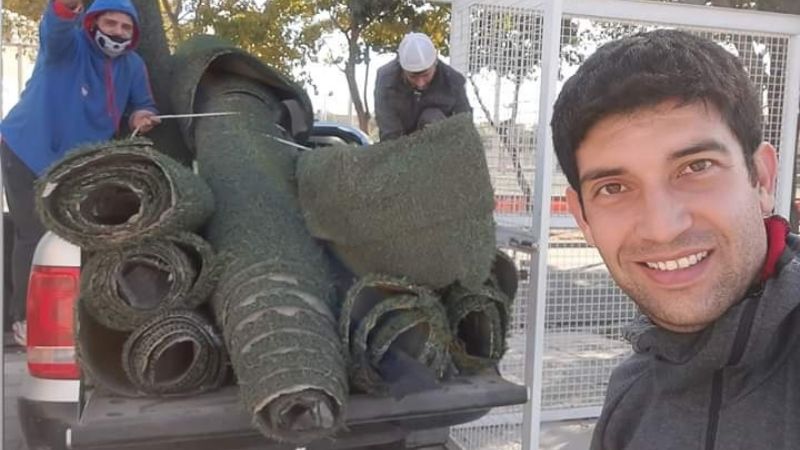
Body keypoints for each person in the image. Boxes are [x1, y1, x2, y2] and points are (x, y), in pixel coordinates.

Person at [551, 29, 799, 449]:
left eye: (696, 167)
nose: (662, 227)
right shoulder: (631, 401)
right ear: (584, 218)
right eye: (613, 188)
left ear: (762, 179)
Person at [0, 0, 160, 346]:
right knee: (34, 233)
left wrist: (140, 116)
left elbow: (143, 103)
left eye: (125, 27)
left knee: (77, 235)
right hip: (26, 148)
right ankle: (24, 321)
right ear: (92, 22)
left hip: (78, 166)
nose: (117, 32)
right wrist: (64, 6)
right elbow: (53, 26)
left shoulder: (133, 65)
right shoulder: (68, 46)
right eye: (111, 23)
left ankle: (71, 315)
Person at [374, 32, 472, 141]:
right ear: (402, 68)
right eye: (413, 77)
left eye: (426, 75)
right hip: (401, 140)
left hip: (439, 142)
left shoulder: (453, 81)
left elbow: (465, 126)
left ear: (435, 63)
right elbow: (389, 131)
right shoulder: (386, 79)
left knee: (432, 118)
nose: (420, 83)